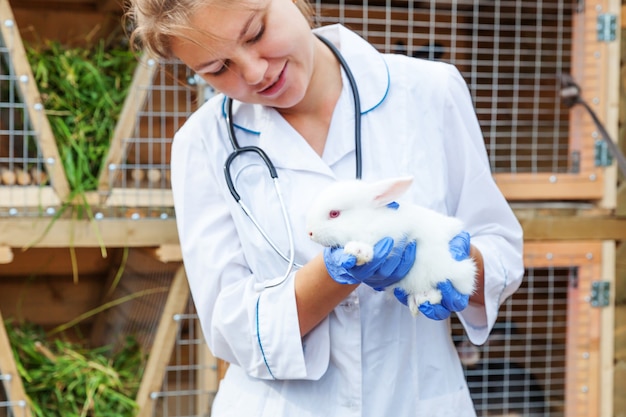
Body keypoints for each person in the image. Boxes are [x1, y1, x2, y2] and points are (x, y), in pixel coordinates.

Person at [127, 0, 525, 415]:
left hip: (417, 398)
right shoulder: (203, 143)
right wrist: (335, 273)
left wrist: (456, 263)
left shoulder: (429, 90)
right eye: (217, 69)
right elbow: (231, 329)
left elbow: (500, 252)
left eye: (256, 33)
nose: (254, 72)